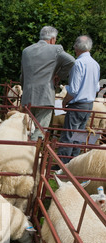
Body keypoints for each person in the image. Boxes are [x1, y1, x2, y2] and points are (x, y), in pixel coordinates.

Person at [20, 26, 75, 141]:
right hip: (45, 97)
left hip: (27, 97)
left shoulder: (26, 51)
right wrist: (59, 75)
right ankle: (33, 154)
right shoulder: (56, 49)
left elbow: (23, 75)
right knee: (40, 130)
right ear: (52, 39)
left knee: (25, 130)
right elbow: (71, 61)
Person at [57, 35, 100, 164]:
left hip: (77, 105)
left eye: (75, 46)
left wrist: (64, 101)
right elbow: (97, 86)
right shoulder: (95, 64)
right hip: (89, 104)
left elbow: (74, 89)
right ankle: (74, 164)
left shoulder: (78, 64)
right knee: (78, 136)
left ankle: (62, 165)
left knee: (68, 135)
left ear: (77, 47)